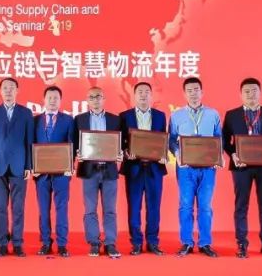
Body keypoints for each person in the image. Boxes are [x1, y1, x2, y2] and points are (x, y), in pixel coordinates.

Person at [222, 77, 262, 259]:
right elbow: (225, 141)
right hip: (241, 167)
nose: (251, 94)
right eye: (247, 91)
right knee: (241, 206)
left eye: (254, 91)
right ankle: (241, 244)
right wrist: (233, 155)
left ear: (260, 93)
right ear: (241, 94)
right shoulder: (232, 115)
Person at [168, 77, 222, 258]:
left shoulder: (213, 114)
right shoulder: (176, 116)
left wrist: (217, 157)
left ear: (202, 92)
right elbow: (171, 140)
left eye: (196, 89)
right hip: (185, 168)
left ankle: (205, 243)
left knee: (205, 206)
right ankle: (187, 242)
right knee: (185, 205)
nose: (193, 93)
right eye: (189, 90)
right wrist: (177, 153)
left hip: (208, 168)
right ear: (184, 94)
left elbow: (218, 139)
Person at [0, 77, 33, 257]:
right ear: (0, 91)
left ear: (17, 90)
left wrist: (29, 165)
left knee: (18, 207)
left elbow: (29, 141)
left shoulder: (26, 113)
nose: (8, 91)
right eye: (5, 88)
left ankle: (18, 243)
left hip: (20, 165)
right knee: (0, 207)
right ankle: (2, 243)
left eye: (11, 87)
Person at [118, 81, 168, 255]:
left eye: (147, 91)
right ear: (134, 95)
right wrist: (126, 152)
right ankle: (136, 242)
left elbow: (163, 140)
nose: (143, 95)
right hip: (134, 168)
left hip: (154, 168)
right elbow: (121, 142)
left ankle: (153, 242)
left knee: (154, 207)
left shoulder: (160, 116)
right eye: (140, 92)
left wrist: (163, 154)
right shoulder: (124, 116)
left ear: (151, 95)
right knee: (134, 207)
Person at [73, 86, 122, 258]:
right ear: (87, 100)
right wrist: (77, 154)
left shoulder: (115, 120)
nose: (95, 100)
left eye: (98, 96)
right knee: (90, 209)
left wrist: (120, 153)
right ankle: (94, 242)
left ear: (104, 99)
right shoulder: (79, 119)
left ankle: (110, 243)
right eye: (91, 97)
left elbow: (121, 143)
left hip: (109, 170)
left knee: (110, 209)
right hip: (89, 170)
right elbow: (74, 144)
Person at [32, 85, 75, 257]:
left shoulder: (68, 120)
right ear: (44, 100)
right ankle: (45, 242)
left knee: (61, 209)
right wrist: (33, 167)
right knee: (43, 210)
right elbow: (31, 144)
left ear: (60, 100)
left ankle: (62, 244)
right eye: (49, 97)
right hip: (41, 174)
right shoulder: (35, 120)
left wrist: (70, 166)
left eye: (56, 98)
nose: (52, 100)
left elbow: (71, 144)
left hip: (61, 173)